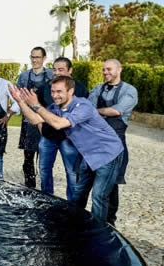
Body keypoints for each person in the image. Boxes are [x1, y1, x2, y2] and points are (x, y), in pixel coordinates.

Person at [9, 76, 124, 223]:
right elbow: (36, 119)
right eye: (53, 91)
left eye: (59, 91)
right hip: (87, 156)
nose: (55, 95)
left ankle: (99, 233)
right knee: (78, 195)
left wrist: (37, 105)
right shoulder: (56, 108)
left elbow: (59, 124)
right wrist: (20, 102)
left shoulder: (83, 106)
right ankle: (75, 226)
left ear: (71, 91)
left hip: (108, 154)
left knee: (99, 196)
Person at [88, 59, 138, 225]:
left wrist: (98, 112)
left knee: (112, 183)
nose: (105, 72)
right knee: (95, 183)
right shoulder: (97, 89)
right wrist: (102, 112)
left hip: (116, 144)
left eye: (108, 69)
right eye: (103, 70)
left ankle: (110, 221)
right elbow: (88, 111)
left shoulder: (129, 90)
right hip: (95, 143)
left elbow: (117, 110)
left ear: (119, 69)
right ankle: (97, 220)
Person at [36, 57, 89, 200]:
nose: (56, 73)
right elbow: (37, 109)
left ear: (70, 70)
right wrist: (41, 127)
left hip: (69, 138)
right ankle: (47, 199)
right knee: (44, 169)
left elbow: (82, 115)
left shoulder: (81, 89)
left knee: (72, 173)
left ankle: (72, 204)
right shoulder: (45, 88)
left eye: (61, 70)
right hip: (48, 137)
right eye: (54, 69)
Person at [16, 47, 53, 188]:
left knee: (45, 158)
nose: (34, 60)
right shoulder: (24, 76)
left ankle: (46, 189)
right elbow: (19, 97)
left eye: (37, 57)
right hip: (28, 121)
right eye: (32, 57)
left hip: (45, 120)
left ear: (44, 58)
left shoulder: (51, 75)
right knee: (28, 158)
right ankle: (30, 186)